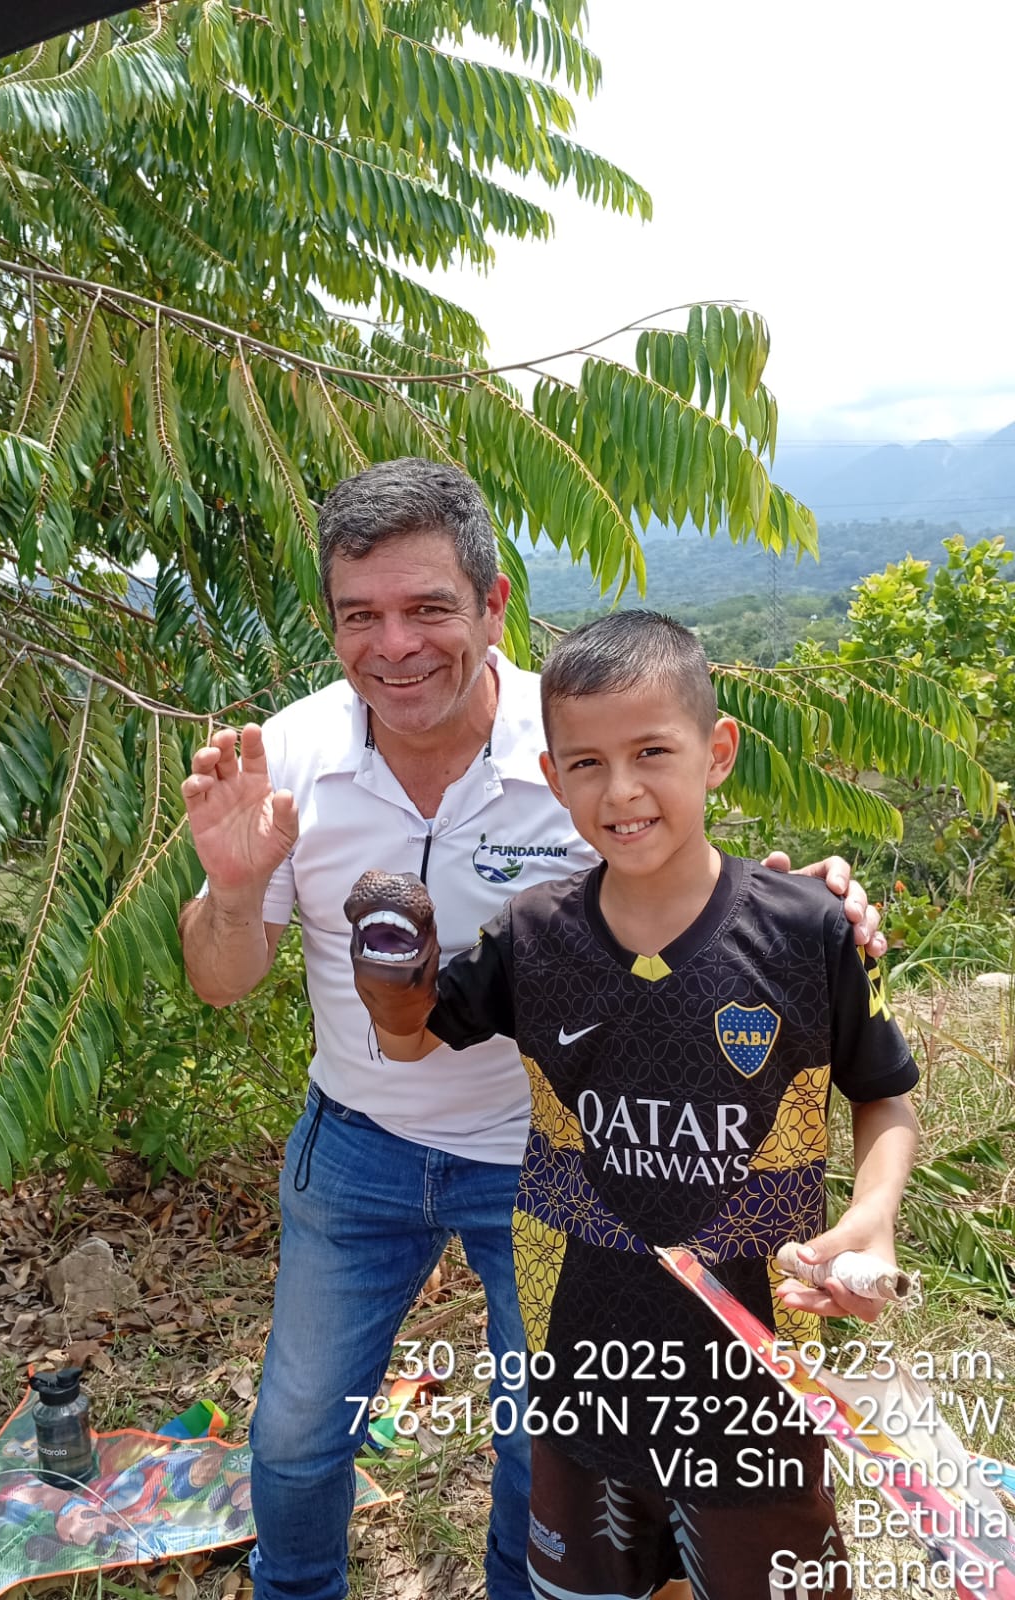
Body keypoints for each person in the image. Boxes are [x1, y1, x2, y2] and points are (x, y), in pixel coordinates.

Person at [178, 457, 886, 1600]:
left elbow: (694, 882)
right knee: (299, 1429)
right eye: (360, 615)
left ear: (495, 603)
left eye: (428, 608)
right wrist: (230, 886)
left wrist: (813, 909)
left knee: (542, 1442)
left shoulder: (574, 744)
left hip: (550, 1164)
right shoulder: (293, 760)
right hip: (357, 1142)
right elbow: (223, 976)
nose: (394, 646)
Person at [347, 608, 920, 1600]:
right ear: (552, 774)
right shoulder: (533, 937)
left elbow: (884, 1097)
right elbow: (410, 1036)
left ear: (717, 751)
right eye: (587, 764)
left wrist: (873, 1217)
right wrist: (389, 973)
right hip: (579, 1376)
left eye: (652, 752)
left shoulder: (805, 931)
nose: (620, 791)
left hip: (755, 1386)